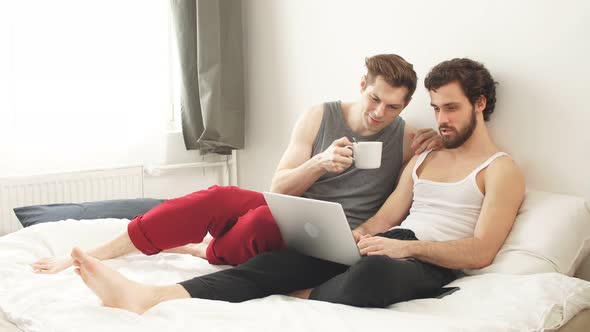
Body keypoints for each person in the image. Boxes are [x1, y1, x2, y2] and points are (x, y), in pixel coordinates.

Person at [67, 58, 525, 314]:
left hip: (426, 259)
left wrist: (406, 249)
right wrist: (355, 237)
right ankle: (153, 296)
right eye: (436, 109)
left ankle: (295, 288)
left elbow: (481, 251)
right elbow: (386, 218)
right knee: (284, 259)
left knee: (369, 275)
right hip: (387, 243)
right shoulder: (424, 156)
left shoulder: (501, 169)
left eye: (451, 109)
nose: (441, 120)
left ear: (479, 104)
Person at [32, 54, 440, 274]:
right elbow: (278, 188)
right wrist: (319, 163)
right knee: (218, 196)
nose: (378, 113)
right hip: (289, 207)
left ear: (405, 106)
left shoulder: (405, 139)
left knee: (261, 224)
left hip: (331, 234)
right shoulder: (320, 115)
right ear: (362, 86)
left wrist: (438, 140)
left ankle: (207, 251)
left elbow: (408, 190)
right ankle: (93, 254)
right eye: (374, 99)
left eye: (392, 107)